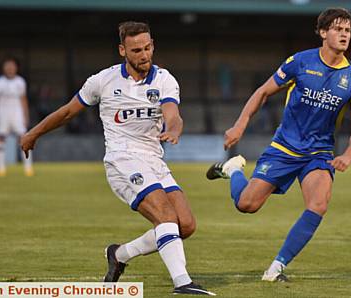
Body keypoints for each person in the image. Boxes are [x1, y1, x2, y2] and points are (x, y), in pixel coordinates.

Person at [20, 21, 215, 296]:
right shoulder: (102, 81)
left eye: (148, 48)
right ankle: (182, 282)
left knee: (185, 225)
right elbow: (66, 112)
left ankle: (119, 255)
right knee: (165, 215)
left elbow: (173, 112)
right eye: (136, 50)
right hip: (121, 160)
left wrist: (173, 128)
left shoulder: (164, 80)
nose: (144, 55)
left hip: (154, 160)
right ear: (122, 50)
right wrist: (33, 133)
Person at [206, 7, 351, 282]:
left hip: (319, 153)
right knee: (247, 204)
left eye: (348, 30)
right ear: (322, 32)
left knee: (318, 204)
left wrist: (349, 155)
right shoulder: (300, 62)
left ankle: (276, 267)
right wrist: (240, 124)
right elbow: (263, 92)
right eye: (338, 29)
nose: (344, 35)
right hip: (284, 148)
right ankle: (234, 170)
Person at [0, 58, 33, 177]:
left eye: (12, 66)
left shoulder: (20, 82)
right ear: (4, 68)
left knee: (24, 139)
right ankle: (1, 168)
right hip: (3, 113)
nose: (10, 68)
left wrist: (25, 115)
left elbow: (24, 100)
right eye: (7, 66)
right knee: (1, 138)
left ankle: (28, 168)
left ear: (16, 68)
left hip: (17, 113)